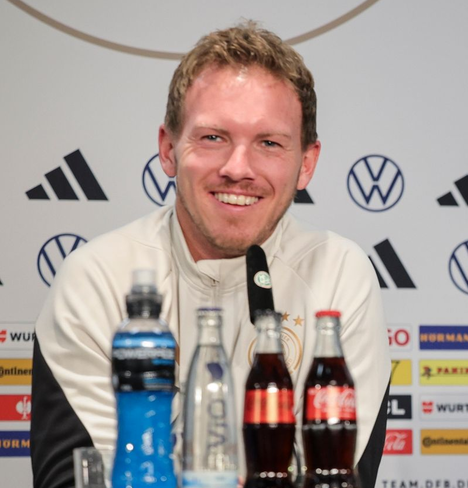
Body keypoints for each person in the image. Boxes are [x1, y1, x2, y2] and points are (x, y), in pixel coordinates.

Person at [31, 24, 390, 488]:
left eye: (269, 143)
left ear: (306, 163)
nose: (238, 168)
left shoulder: (340, 273)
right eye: (214, 137)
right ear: (168, 148)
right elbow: (78, 479)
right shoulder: (97, 276)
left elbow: (337, 478)